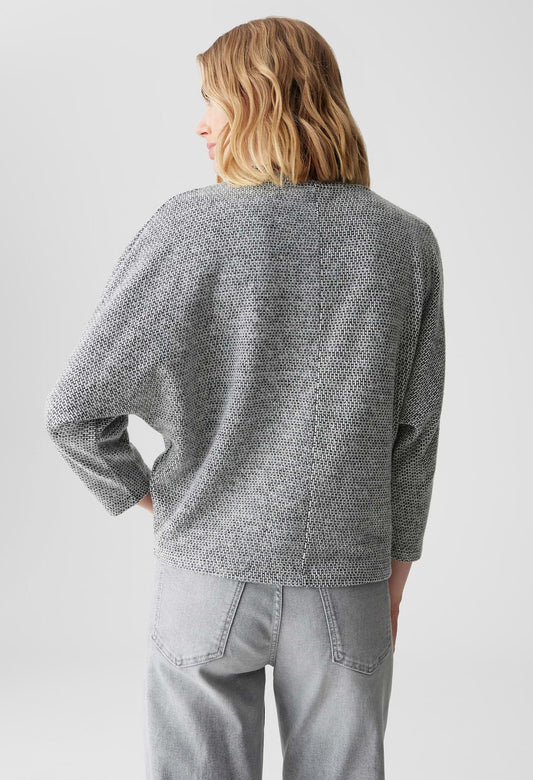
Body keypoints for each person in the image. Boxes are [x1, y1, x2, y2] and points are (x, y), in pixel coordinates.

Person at [44, 16, 446, 780]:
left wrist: (164, 505)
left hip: (207, 573)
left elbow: (74, 411)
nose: (200, 123)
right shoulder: (404, 243)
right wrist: (391, 579)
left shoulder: (186, 228)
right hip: (347, 580)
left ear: (260, 99)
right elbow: (414, 435)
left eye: (212, 99)